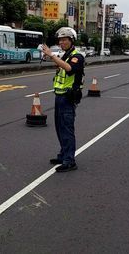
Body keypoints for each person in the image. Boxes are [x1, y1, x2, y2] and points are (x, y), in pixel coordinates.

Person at [41, 27, 85, 172]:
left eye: (65, 39)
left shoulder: (77, 56)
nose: (62, 42)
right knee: (60, 128)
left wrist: (52, 56)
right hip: (59, 96)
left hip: (68, 97)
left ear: (72, 41)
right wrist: (50, 56)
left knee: (67, 129)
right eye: (60, 40)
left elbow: (69, 69)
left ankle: (69, 161)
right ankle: (63, 155)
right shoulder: (65, 55)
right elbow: (62, 67)